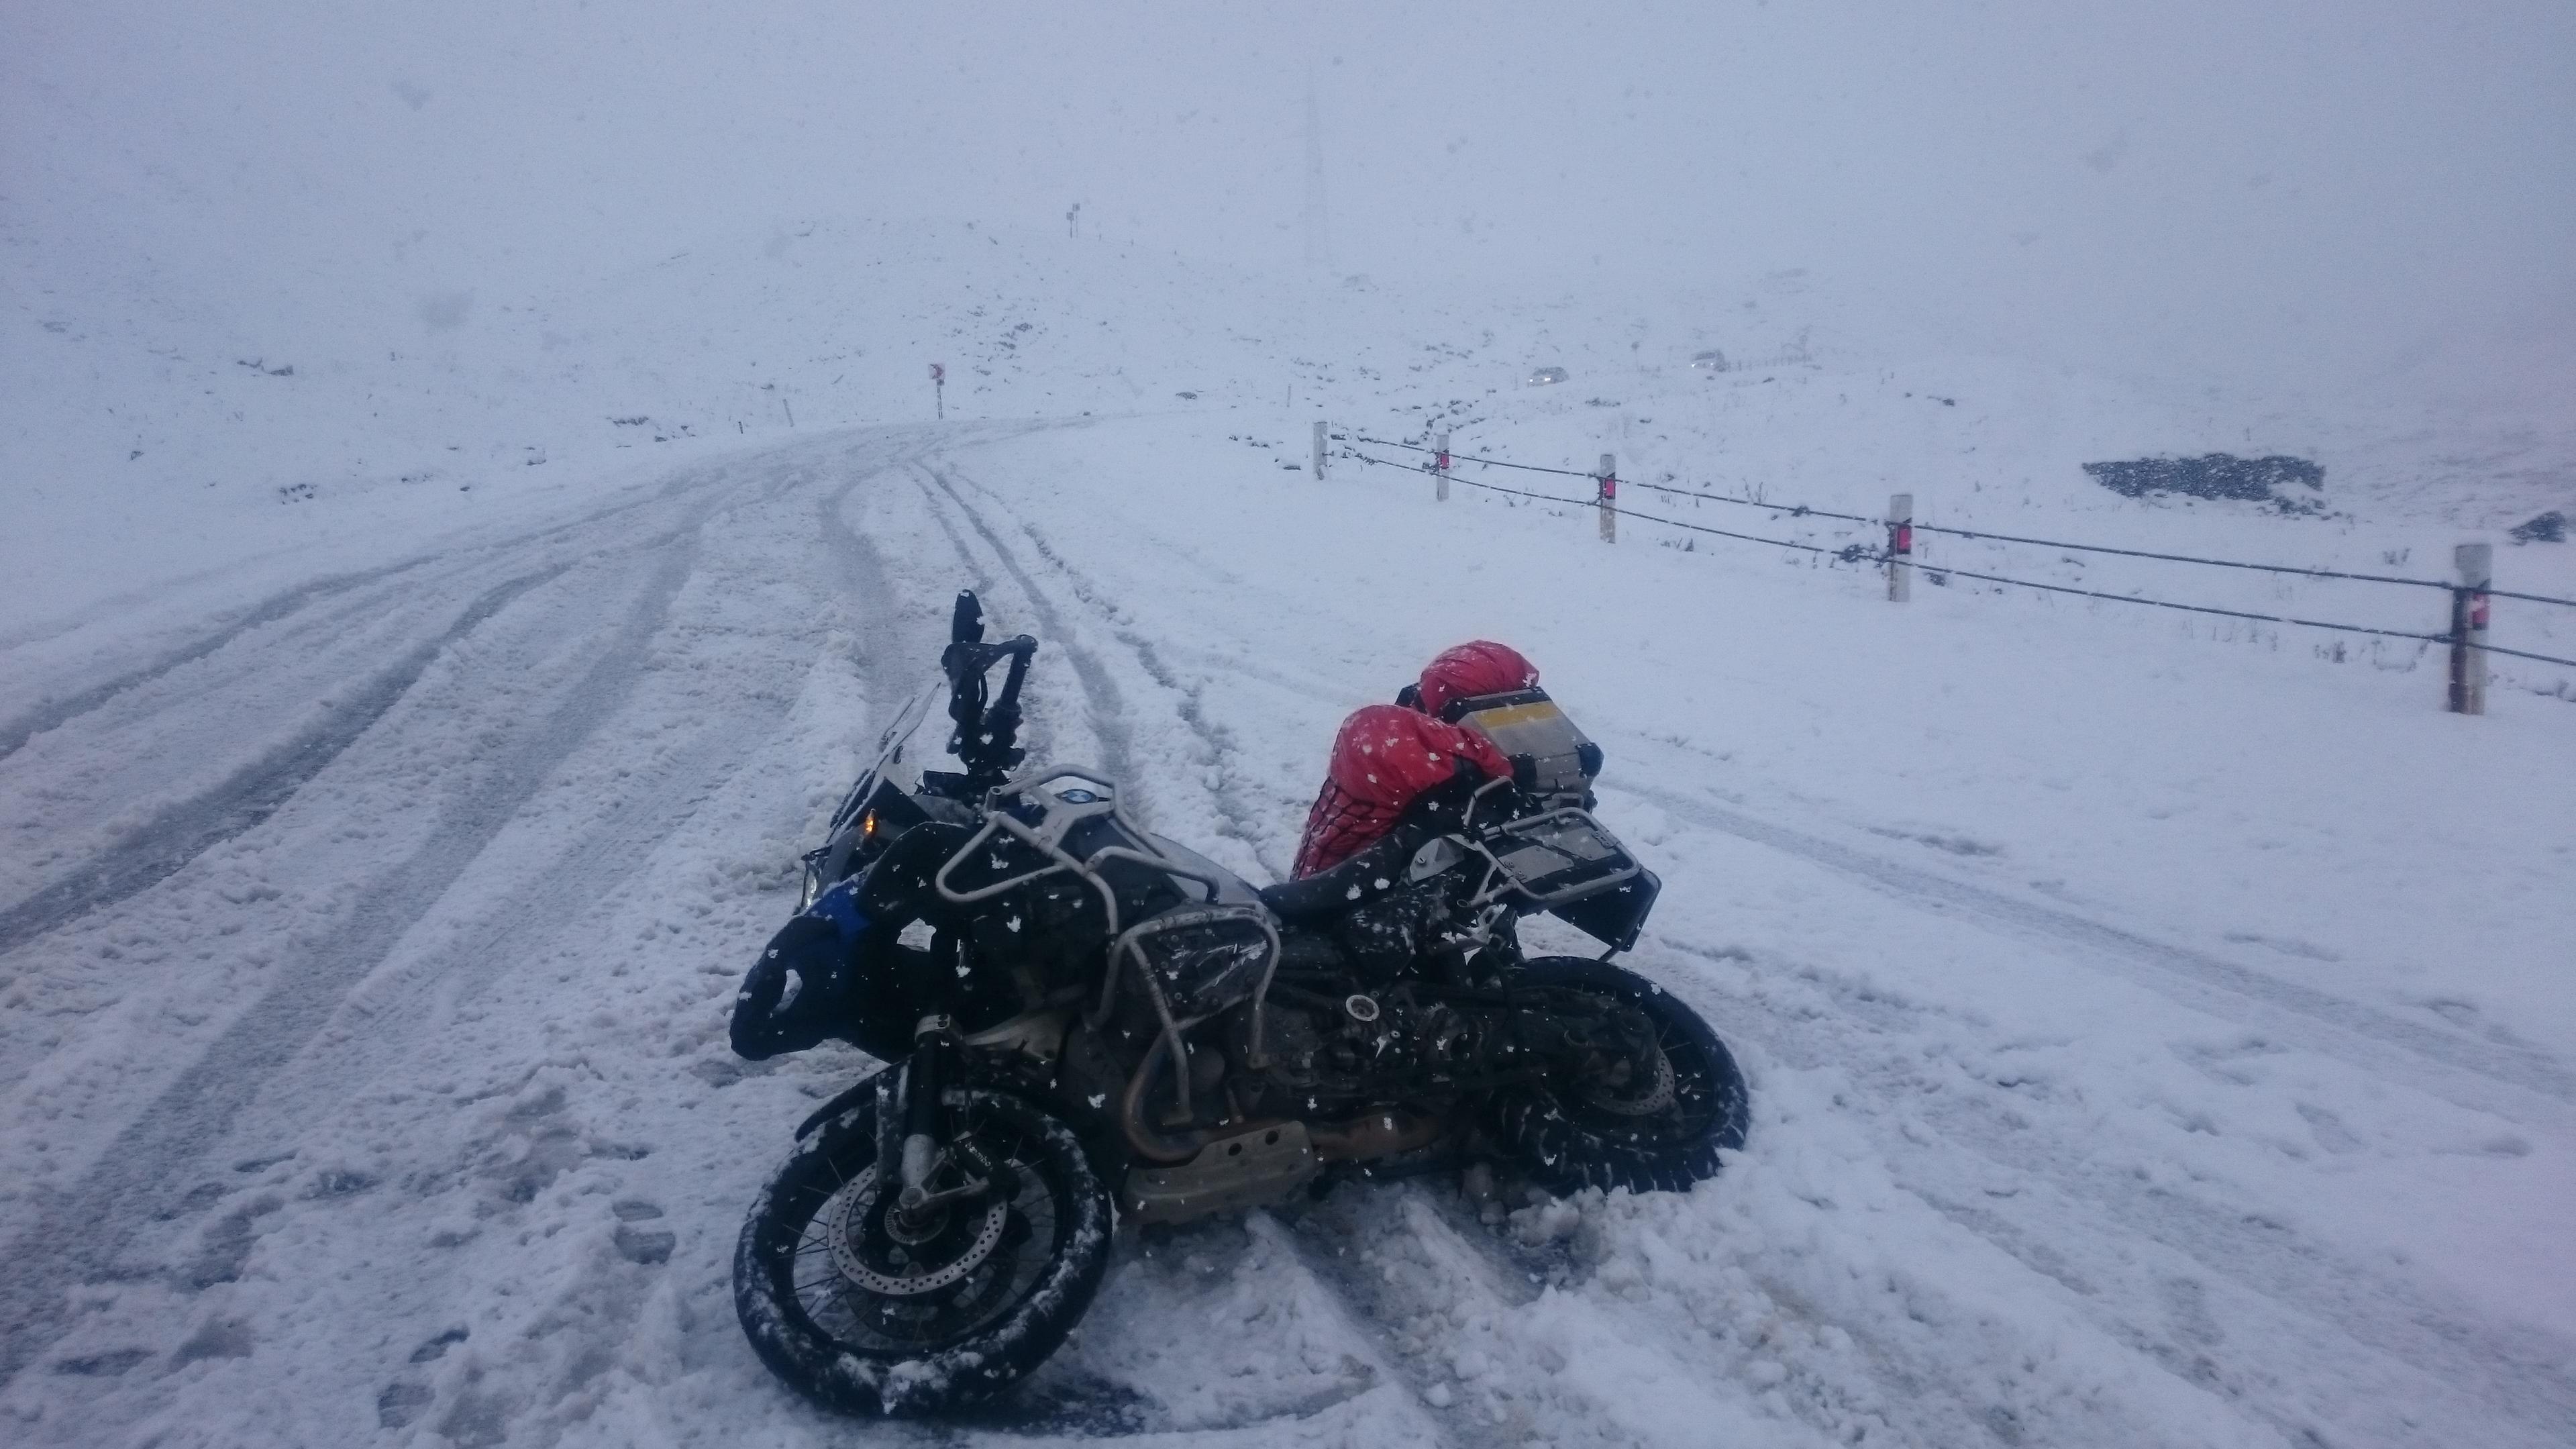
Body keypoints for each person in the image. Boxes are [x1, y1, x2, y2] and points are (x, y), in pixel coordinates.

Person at [1288, 641, 1540, 879]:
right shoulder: (1393, 738)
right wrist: (1507, 770)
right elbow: (1457, 754)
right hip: (1345, 878)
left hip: (1395, 868)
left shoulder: (1428, 726)